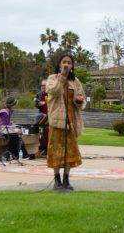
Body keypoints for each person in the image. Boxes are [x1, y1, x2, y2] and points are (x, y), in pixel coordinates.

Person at [46, 53, 86, 191]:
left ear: (72, 65)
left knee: (70, 151)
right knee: (56, 150)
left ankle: (66, 179)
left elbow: (81, 99)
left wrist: (79, 100)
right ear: (59, 64)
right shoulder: (52, 78)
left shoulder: (76, 81)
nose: (67, 64)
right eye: (64, 62)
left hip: (71, 120)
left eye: (69, 62)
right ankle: (57, 179)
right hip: (57, 120)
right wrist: (62, 78)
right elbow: (53, 91)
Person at [34, 79, 49, 157]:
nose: (43, 87)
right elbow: (36, 104)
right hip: (42, 115)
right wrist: (39, 103)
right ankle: (40, 148)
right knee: (42, 132)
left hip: (50, 116)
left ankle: (46, 150)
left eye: (45, 85)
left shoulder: (51, 94)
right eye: (42, 85)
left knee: (47, 133)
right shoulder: (39, 94)